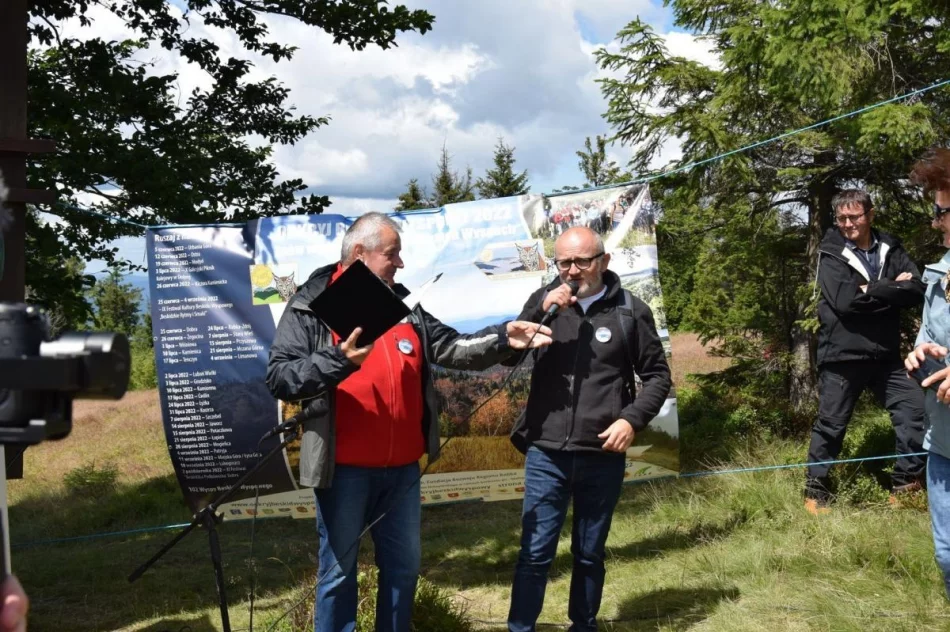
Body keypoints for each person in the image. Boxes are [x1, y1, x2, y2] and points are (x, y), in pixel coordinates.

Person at [265, 212, 552, 632]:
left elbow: (451, 346)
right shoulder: (311, 305)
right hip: (342, 470)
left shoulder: (403, 302)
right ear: (359, 254)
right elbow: (281, 377)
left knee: (402, 571)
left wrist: (502, 338)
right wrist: (336, 360)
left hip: (401, 471)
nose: (399, 263)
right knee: (338, 574)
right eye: (391, 254)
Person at [506, 226, 672, 632]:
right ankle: (520, 627)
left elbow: (658, 377)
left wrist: (631, 420)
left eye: (582, 261)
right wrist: (541, 308)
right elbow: (511, 350)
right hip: (546, 452)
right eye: (564, 262)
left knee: (589, 553)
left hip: (602, 453)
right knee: (534, 552)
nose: (573, 271)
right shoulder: (543, 303)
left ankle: (583, 624)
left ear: (604, 262)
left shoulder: (631, 310)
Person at [805, 189, 927, 514]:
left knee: (915, 413)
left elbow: (917, 288)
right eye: (842, 218)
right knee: (831, 426)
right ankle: (816, 493)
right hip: (843, 357)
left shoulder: (891, 246)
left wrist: (870, 289)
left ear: (870, 215)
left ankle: (906, 485)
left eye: (854, 216)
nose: (848, 224)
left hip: (886, 356)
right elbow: (844, 302)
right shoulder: (830, 253)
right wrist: (890, 287)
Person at [904, 146, 950, 598]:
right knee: (947, 554)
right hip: (944, 442)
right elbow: (924, 333)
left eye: (942, 213)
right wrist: (919, 353)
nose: (935, 223)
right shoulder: (938, 274)